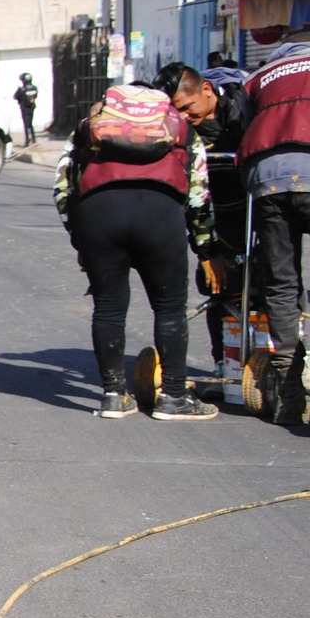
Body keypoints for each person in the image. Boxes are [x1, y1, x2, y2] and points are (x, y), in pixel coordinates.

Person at [53, 84, 216, 420]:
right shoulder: (180, 128)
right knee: (169, 307)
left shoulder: (89, 126)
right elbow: (199, 193)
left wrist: (80, 239)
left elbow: (63, 188)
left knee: (109, 307)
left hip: (98, 215)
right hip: (161, 213)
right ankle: (173, 397)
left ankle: (113, 395)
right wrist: (205, 246)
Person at [156, 61, 251, 377]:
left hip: (256, 212)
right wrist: (208, 253)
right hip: (212, 218)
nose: (183, 116)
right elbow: (194, 200)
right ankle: (226, 363)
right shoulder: (182, 133)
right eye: (176, 111)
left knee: (267, 289)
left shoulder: (244, 110)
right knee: (219, 290)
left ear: (206, 90)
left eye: (186, 107)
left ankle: (275, 363)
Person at [240, 32, 310, 423]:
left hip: (267, 180)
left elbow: (245, 126)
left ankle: (288, 392)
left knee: (283, 282)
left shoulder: (260, 76)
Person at [14, 72, 39, 147]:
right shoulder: (34, 88)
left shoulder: (22, 89)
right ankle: (34, 140)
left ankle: (27, 141)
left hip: (24, 108)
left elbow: (15, 96)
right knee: (30, 124)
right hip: (32, 108)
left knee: (26, 124)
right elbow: (35, 96)